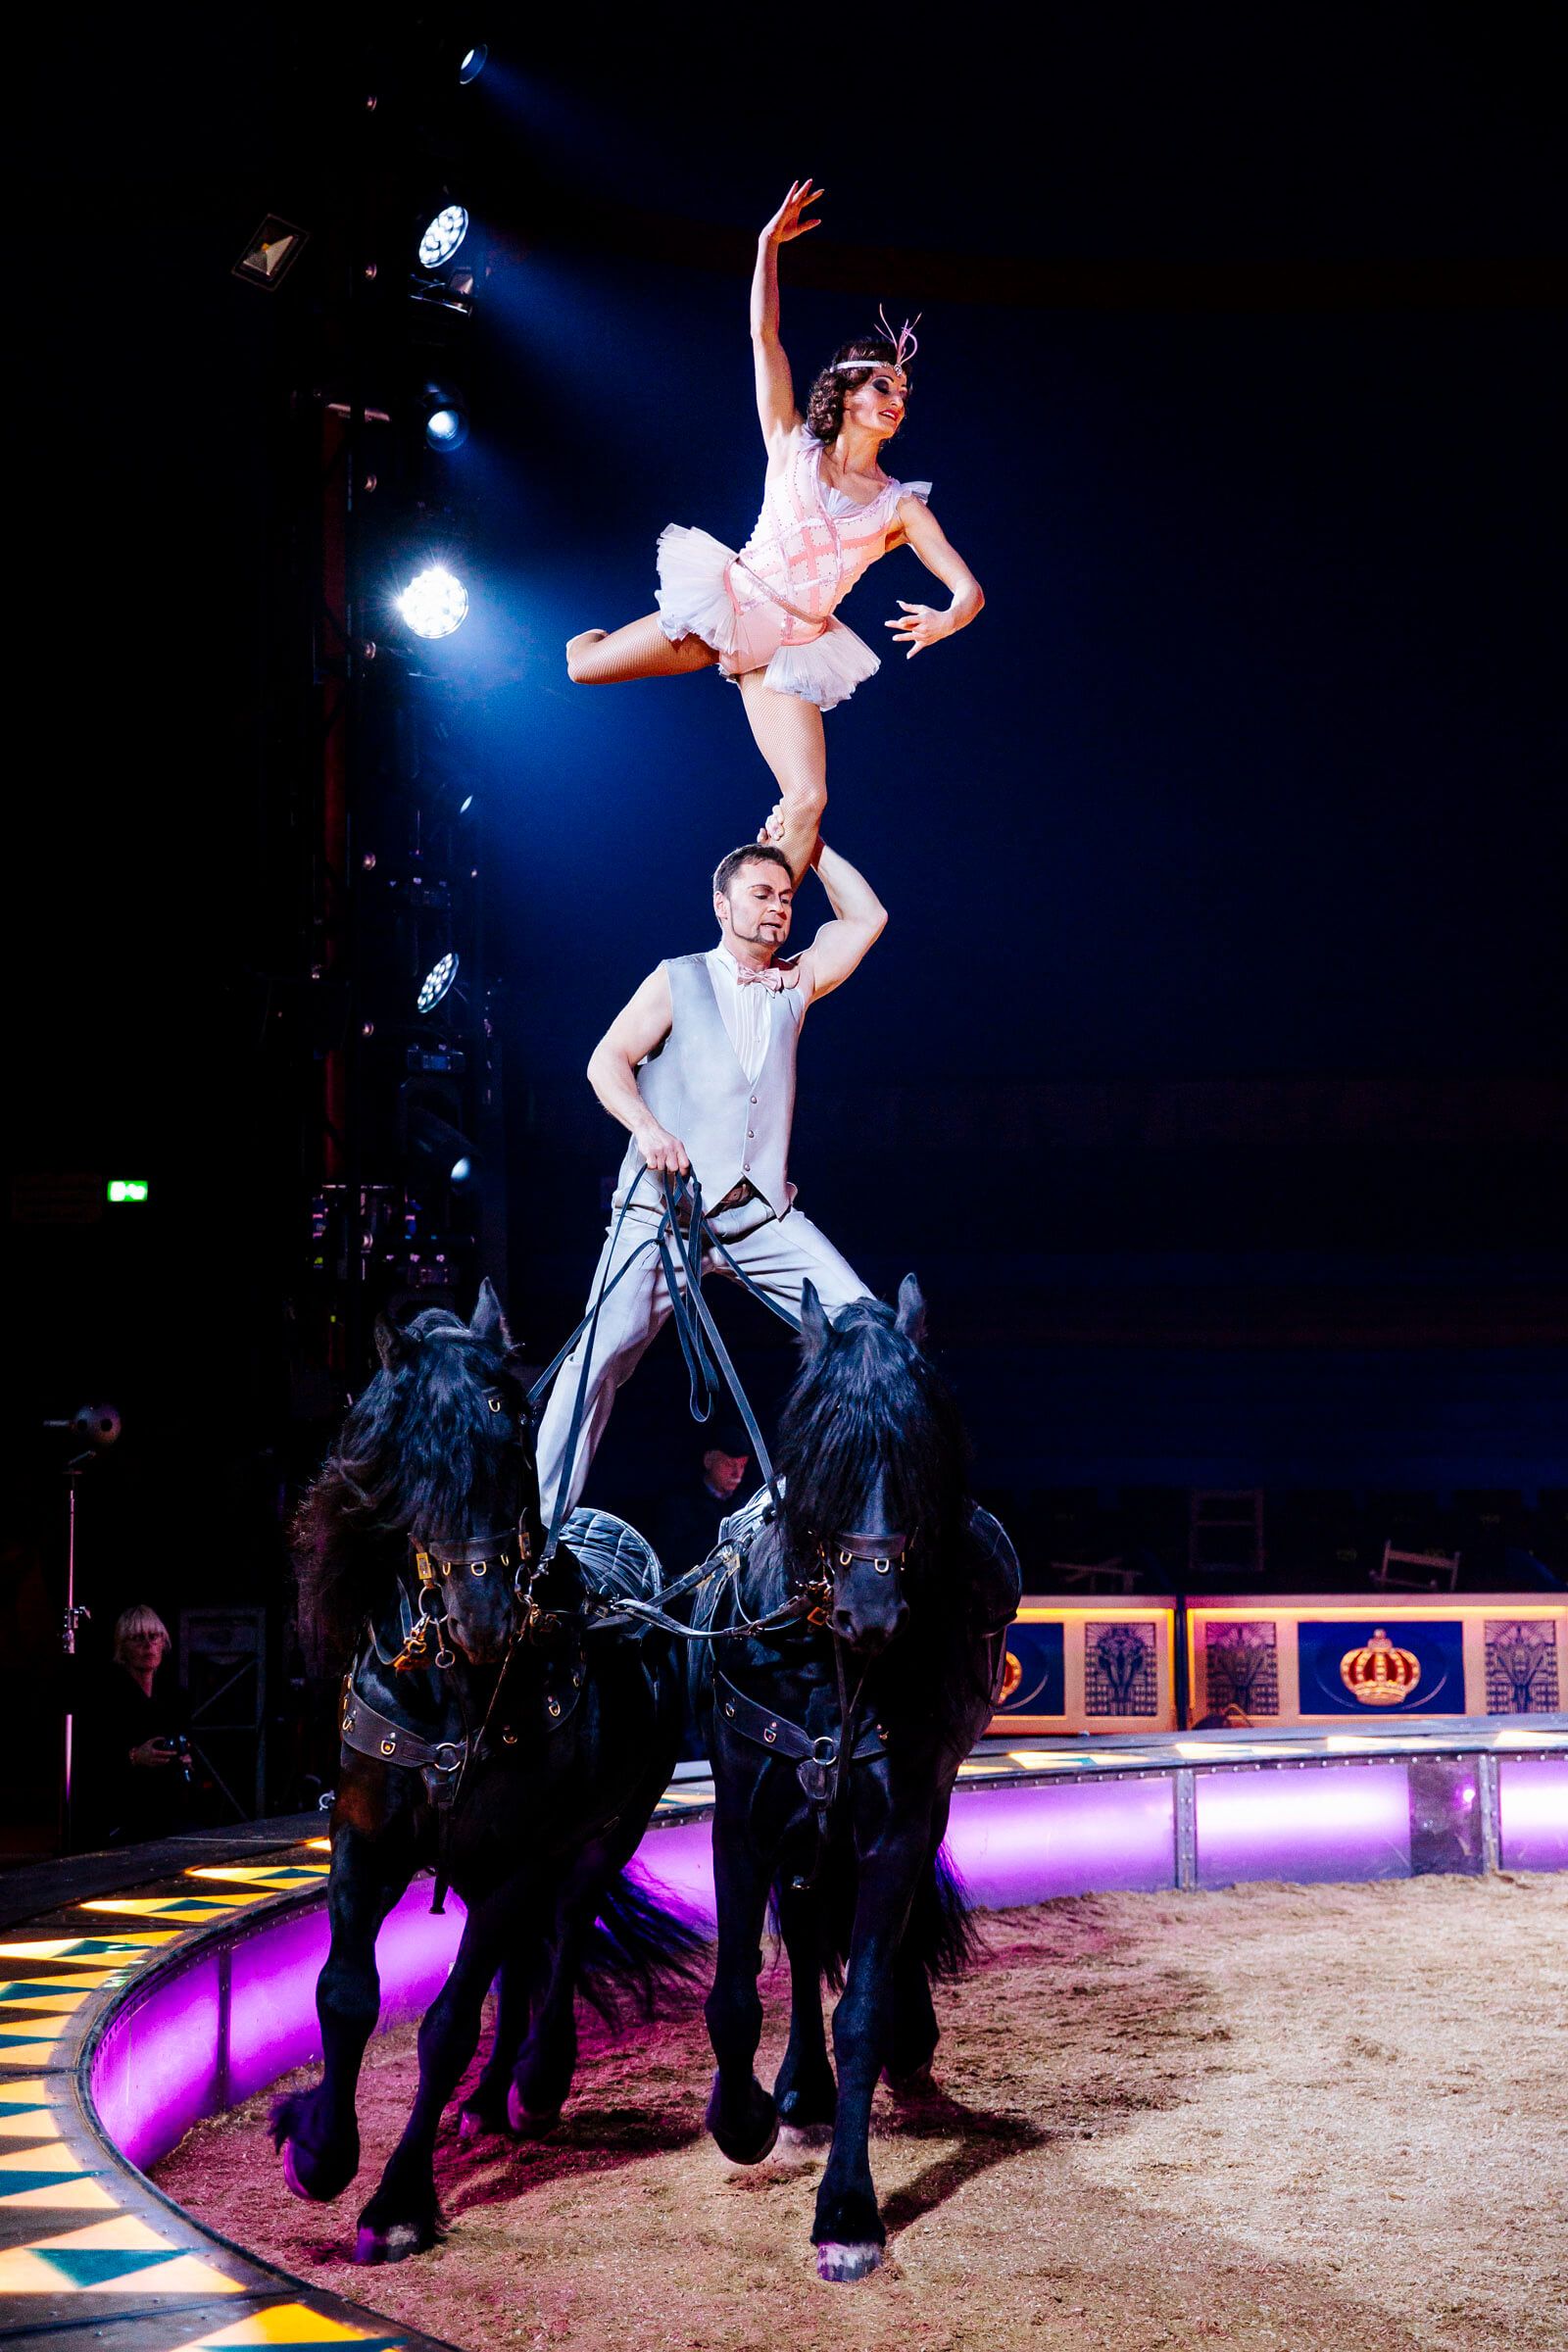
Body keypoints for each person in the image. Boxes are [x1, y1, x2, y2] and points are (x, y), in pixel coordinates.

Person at [564, 180, 984, 880]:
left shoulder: (899, 507)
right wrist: (765, 247)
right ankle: (597, 634)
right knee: (582, 668)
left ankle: (760, 938)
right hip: (729, 605)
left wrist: (948, 617)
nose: (896, 401)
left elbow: (969, 589)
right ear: (847, 393)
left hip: (790, 650)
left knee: (809, 796)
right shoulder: (792, 444)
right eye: (884, 386)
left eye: (903, 394)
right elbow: (764, 336)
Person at [536, 835, 885, 1523]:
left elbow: (866, 920)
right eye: (762, 895)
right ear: (721, 905)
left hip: (759, 1219)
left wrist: (809, 842)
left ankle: (860, 1513)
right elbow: (607, 1060)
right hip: (662, 1218)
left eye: (786, 900)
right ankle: (540, 1526)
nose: (779, 909)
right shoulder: (679, 977)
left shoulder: (796, 982)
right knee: (599, 1360)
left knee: (869, 1330)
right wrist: (647, 1126)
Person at [72, 1605, 192, 1848]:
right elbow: (90, 1760)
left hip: (164, 1813)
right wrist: (134, 1756)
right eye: (138, 1638)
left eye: (154, 1636)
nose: (148, 1645)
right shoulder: (104, 1698)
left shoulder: (172, 1697)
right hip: (118, 1817)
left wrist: (184, 1759)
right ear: (122, 1647)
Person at [652, 1424, 753, 1579]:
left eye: (742, 1465)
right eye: (729, 1464)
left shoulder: (745, 1506)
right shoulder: (680, 1506)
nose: (737, 1473)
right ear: (709, 1460)